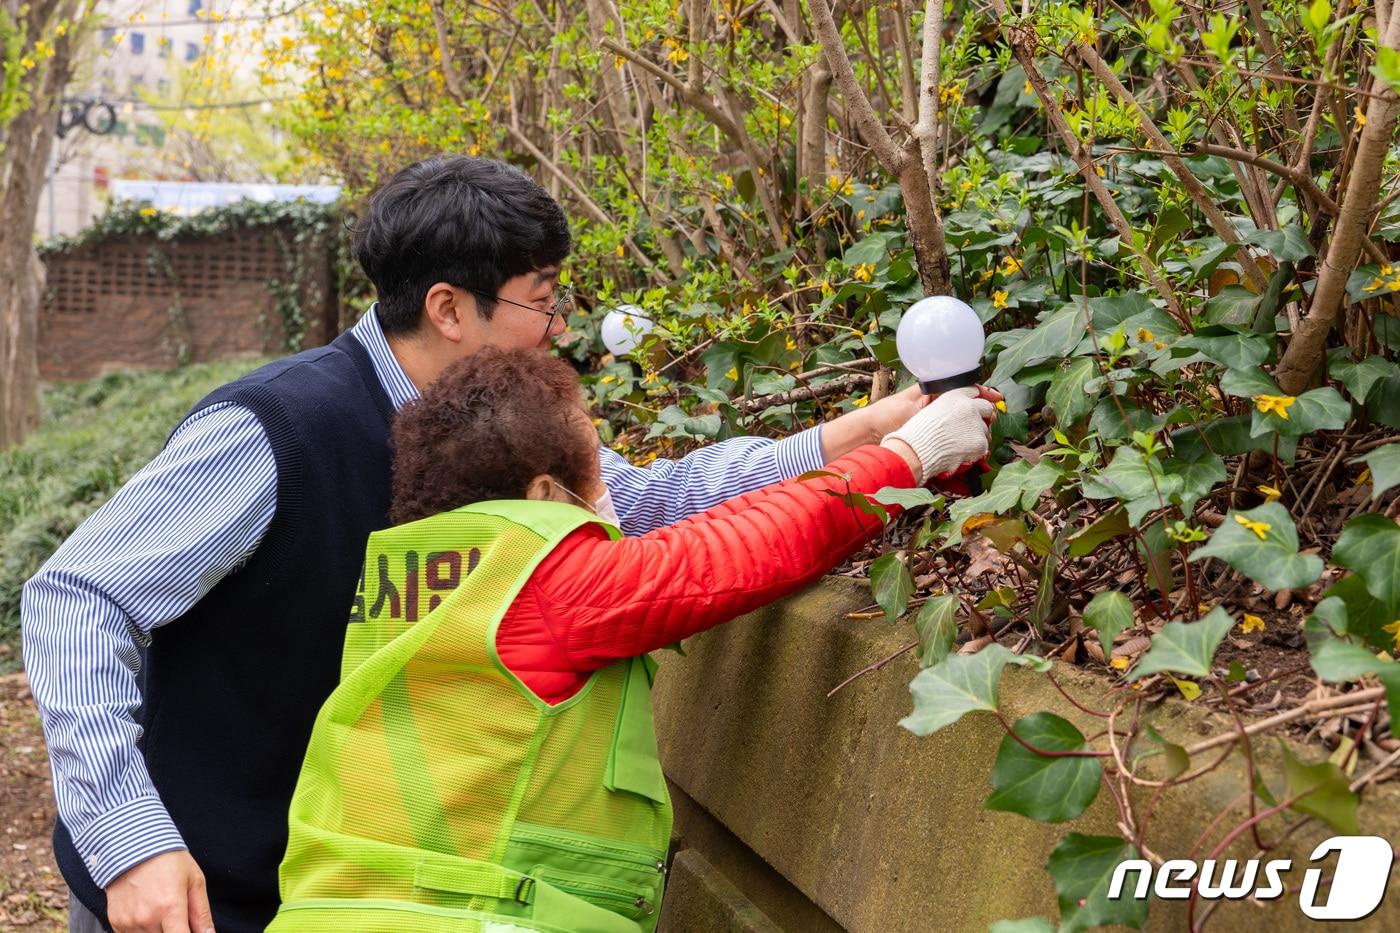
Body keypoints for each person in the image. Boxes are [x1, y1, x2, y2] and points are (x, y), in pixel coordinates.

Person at [20, 154, 966, 933]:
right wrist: (131, 840)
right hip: (179, 892)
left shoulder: (487, 425)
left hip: (334, 895)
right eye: (540, 300)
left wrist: (865, 433)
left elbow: (644, 500)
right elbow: (77, 596)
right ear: (447, 307)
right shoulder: (275, 428)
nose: (558, 328)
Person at [265, 348, 995, 933]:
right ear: (546, 495)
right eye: (598, 467)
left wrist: (867, 432)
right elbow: (742, 550)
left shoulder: (415, 579)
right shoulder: (544, 582)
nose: (615, 493)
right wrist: (907, 455)